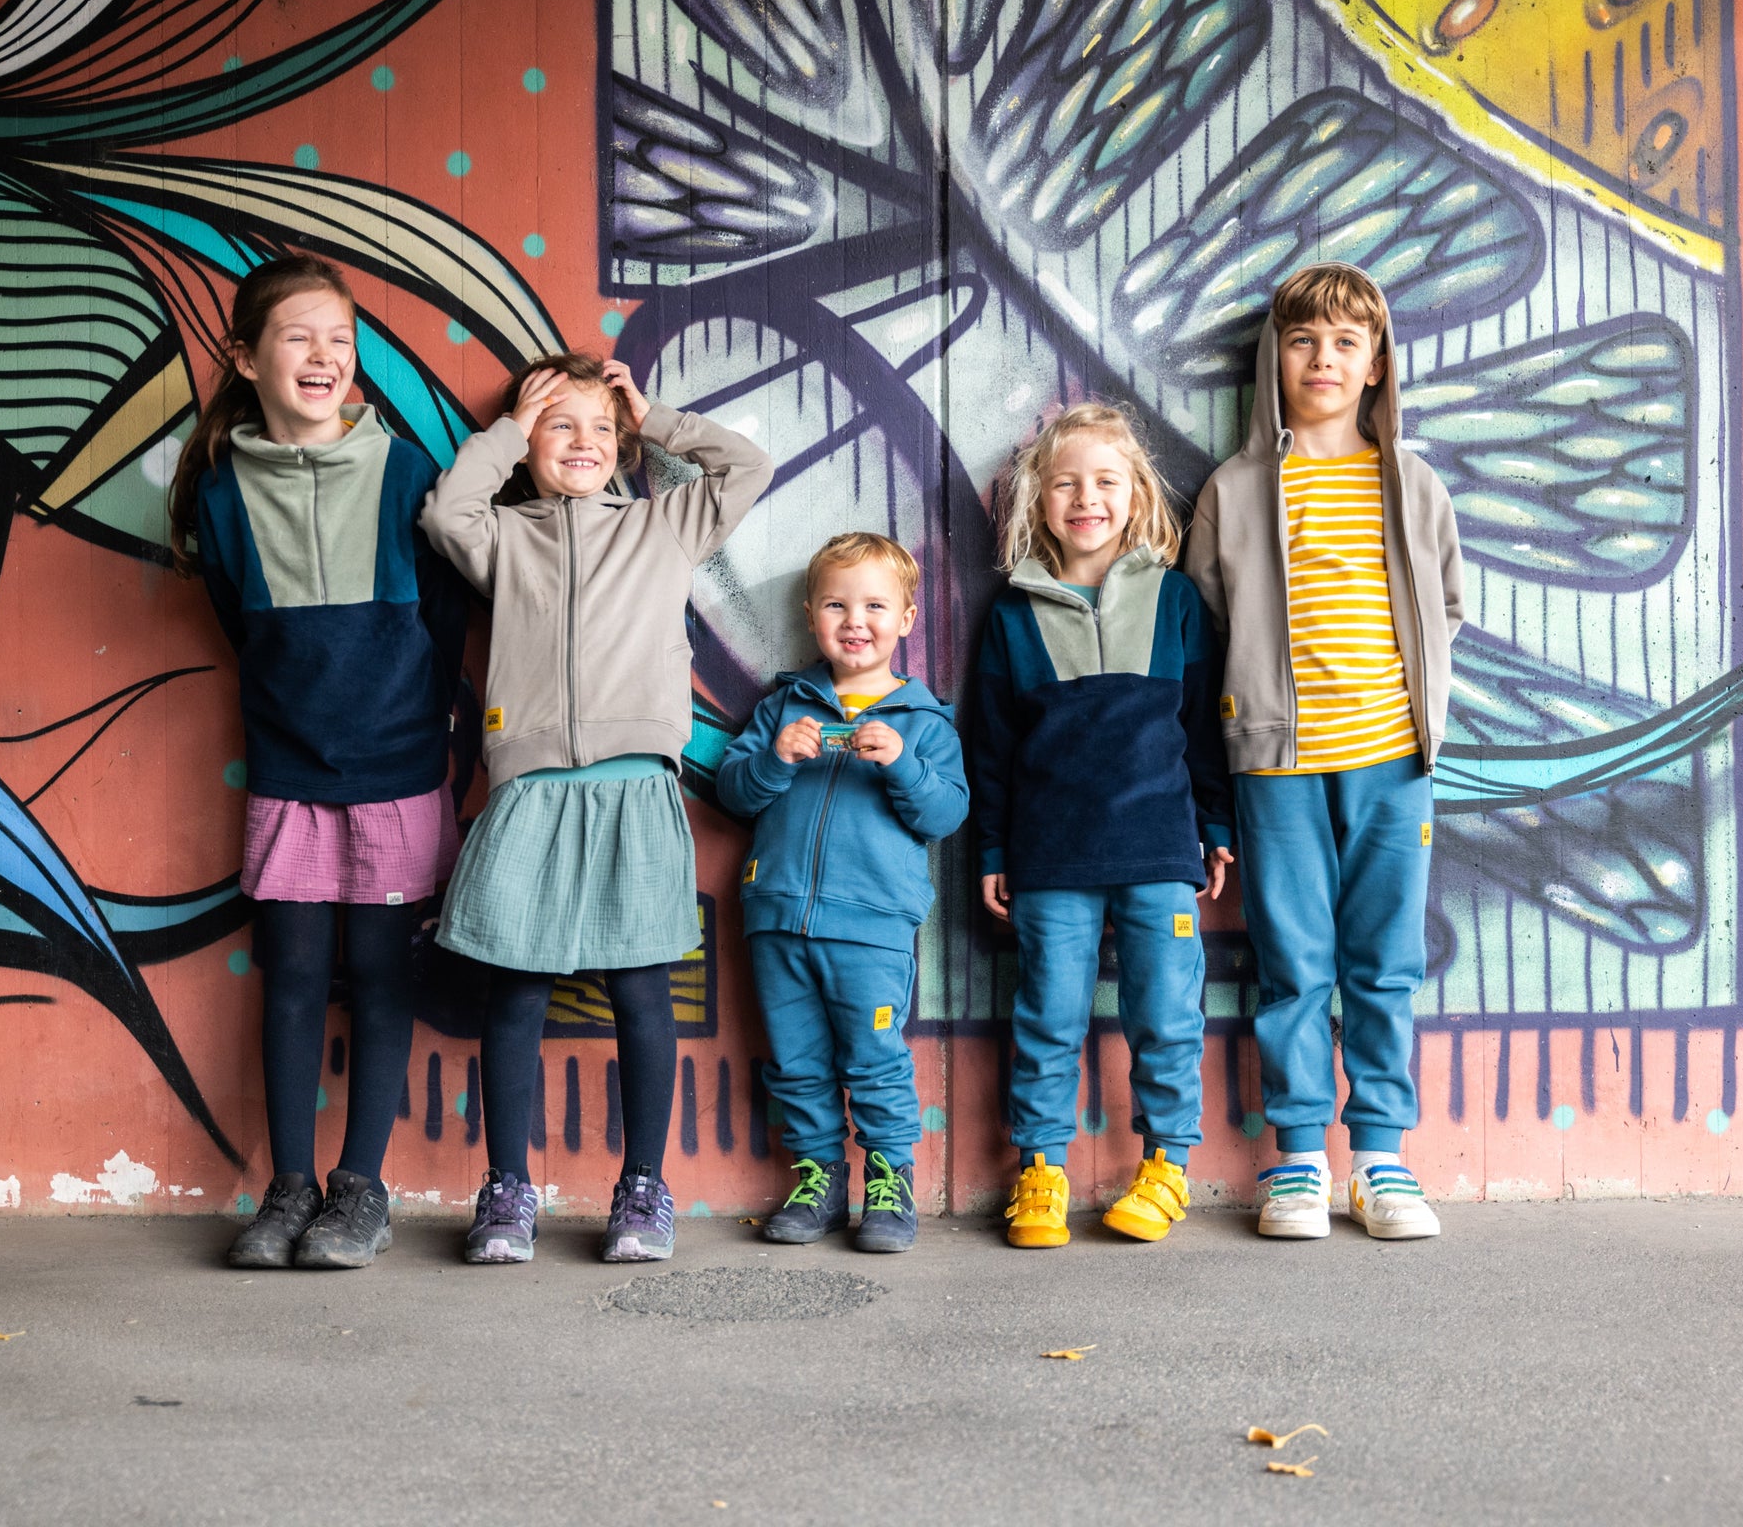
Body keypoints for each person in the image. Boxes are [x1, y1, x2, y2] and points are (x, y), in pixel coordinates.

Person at [421, 351, 773, 1264]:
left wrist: (651, 417)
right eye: (558, 425)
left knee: (641, 991)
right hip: (531, 791)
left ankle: (643, 1187)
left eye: (601, 430)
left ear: (624, 447)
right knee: (517, 991)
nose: (583, 443)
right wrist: (503, 431)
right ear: (529, 442)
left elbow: (747, 465)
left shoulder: (662, 527)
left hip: (633, 789)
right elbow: (446, 512)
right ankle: (507, 1189)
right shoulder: (506, 538)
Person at [171, 255, 470, 1269]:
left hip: (397, 769)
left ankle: (360, 1189)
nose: (323, 356)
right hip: (289, 770)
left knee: (382, 978)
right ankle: (289, 1187)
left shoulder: (405, 474)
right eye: (299, 337)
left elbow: (444, 618)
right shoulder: (220, 492)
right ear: (246, 358)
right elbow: (236, 617)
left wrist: (432, 740)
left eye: (340, 340)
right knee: (292, 975)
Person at [1182, 262, 1465, 1241]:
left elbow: (1448, 605)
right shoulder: (1238, 489)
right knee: (1295, 963)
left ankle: (1381, 1157)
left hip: (1394, 764)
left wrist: (1413, 706)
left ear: (1379, 363)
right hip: (1277, 769)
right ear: (1275, 358)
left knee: (1387, 962)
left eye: (1348, 341)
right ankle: (1299, 1157)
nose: (1325, 358)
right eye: (1304, 340)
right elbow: (1206, 623)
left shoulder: (1410, 483)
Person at [969, 404, 1235, 1249]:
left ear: (1137, 495)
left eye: (1106, 482)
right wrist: (993, 849)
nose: (1087, 498)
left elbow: (1202, 726)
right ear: (1038, 501)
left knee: (1166, 1012)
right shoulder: (1012, 616)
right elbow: (991, 747)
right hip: (1050, 857)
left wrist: (1215, 825)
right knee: (1048, 1015)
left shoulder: (1176, 600)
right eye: (1066, 483)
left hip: (1160, 850)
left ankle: (1165, 1168)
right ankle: (1041, 1171)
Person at [716, 533, 969, 1253]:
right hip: (778, 918)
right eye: (836, 604)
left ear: (906, 620)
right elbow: (735, 794)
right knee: (795, 1062)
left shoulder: (925, 721)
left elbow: (946, 815)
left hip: (873, 930)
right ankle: (818, 1180)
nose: (855, 620)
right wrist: (775, 758)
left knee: (875, 1058)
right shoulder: (785, 708)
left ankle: (890, 1186)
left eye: (874, 606)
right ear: (811, 616)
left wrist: (904, 770)